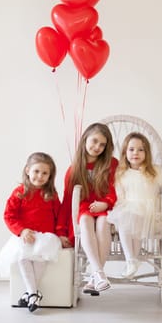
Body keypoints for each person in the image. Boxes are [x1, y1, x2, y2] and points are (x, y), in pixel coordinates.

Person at [0, 152, 68, 313]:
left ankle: (31, 294)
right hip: (26, 236)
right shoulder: (19, 192)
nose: (40, 176)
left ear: (50, 176)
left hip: (46, 236)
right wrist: (21, 230)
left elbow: (60, 216)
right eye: (36, 171)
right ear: (27, 170)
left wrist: (61, 234)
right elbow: (9, 216)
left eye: (45, 173)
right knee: (22, 255)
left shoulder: (51, 195)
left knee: (41, 256)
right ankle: (33, 293)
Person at [57, 123, 118, 293]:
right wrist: (61, 230)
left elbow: (116, 188)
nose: (97, 147)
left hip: (105, 206)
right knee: (84, 220)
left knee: (104, 222)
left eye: (102, 144)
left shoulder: (112, 164)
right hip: (84, 208)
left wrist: (106, 202)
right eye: (95, 141)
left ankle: (96, 276)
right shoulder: (74, 169)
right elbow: (68, 201)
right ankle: (98, 273)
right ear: (85, 139)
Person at [107, 132, 162, 279]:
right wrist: (120, 211)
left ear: (147, 153)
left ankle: (132, 260)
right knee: (127, 217)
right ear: (125, 152)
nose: (135, 153)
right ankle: (132, 260)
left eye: (140, 149)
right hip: (128, 209)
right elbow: (120, 197)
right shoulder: (121, 173)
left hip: (149, 212)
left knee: (134, 217)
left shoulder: (155, 171)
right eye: (131, 149)